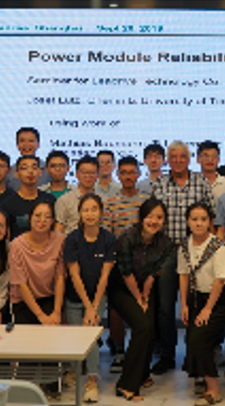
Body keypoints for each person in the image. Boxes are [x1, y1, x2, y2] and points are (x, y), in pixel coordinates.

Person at [149, 141, 215, 375]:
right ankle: (167, 354)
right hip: (167, 252)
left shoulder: (201, 182)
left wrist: (209, 251)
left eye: (182, 156)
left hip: (196, 252)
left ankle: (194, 354)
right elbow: (152, 220)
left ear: (189, 159)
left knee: (196, 304)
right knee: (165, 307)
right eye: (173, 156)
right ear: (168, 160)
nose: (178, 160)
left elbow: (211, 218)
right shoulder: (158, 184)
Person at [111, 198, 174, 402]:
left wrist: (145, 296)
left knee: (150, 328)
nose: (154, 221)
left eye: (159, 217)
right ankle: (126, 384)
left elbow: (153, 273)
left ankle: (143, 372)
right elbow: (126, 273)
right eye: (150, 216)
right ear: (141, 217)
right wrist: (139, 299)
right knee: (143, 326)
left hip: (145, 288)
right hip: (122, 289)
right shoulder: (126, 238)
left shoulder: (165, 242)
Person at [65, 194, 117, 403]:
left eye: (94, 209)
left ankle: (92, 381)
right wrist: (88, 306)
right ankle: (73, 370)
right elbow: (74, 275)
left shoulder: (109, 239)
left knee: (91, 332)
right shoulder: (72, 238)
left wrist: (93, 307)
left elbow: (105, 276)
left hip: (97, 295)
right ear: (80, 213)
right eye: (85, 209)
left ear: (101, 212)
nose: (90, 214)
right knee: (75, 336)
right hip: (74, 295)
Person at [178, 203, 225, 406]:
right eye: (194, 219)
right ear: (187, 222)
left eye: (203, 219)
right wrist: (184, 304)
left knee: (200, 338)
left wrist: (208, 309)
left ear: (210, 222)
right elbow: (183, 275)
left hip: (217, 300)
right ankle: (199, 376)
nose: (198, 223)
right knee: (192, 338)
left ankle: (213, 389)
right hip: (195, 298)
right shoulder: (184, 246)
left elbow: (220, 280)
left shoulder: (218, 246)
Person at [104, 156, 151, 372]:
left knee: (145, 310)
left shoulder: (146, 201)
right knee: (115, 312)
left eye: (132, 172)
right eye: (124, 173)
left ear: (139, 174)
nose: (128, 176)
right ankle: (120, 352)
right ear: (118, 175)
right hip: (119, 266)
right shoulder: (110, 203)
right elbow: (108, 236)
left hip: (144, 265)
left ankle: (142, 352)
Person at [9, 200, 65, 325]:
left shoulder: (60, 240)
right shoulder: (17, 245)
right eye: (38, 215)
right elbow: (20, 284)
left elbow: (59, 278)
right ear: (29, 218)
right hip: (23, 300)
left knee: (52, 330)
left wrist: (57, 312)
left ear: (52, 221)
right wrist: (40, 316)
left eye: (47, 216)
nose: (42, 220)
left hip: (49, 298)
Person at [0, 155, 56, 238]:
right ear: (17, 174)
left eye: (34, 168)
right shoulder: (8, 204)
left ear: (40, 172)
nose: (30, 171)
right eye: (25, 168)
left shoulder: (50, 200)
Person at [56, 155, 100, 234]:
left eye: (92, 173)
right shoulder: (64, 200)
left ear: (98, 175)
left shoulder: (103, 200)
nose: (88, 176)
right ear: (76, 174)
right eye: (84, 172)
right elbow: (58, 230)